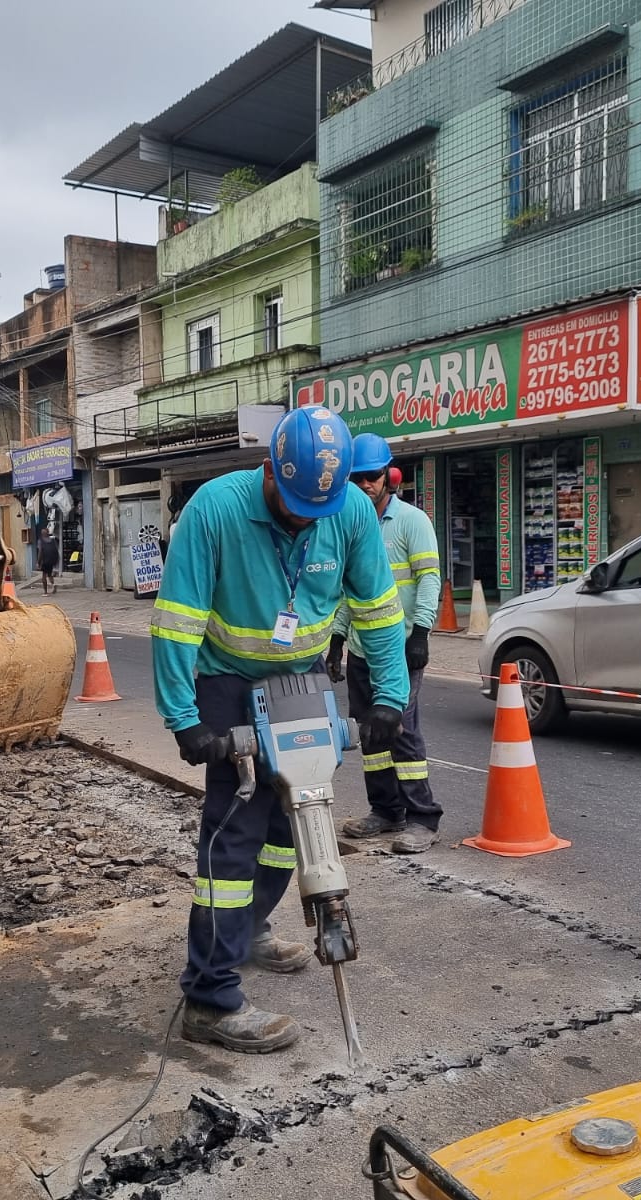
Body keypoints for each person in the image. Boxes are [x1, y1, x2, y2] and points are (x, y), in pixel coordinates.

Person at [151, 406, 409, 1054]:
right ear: (270, 468)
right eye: (293, 506)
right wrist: (185, 719)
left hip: (301, 682)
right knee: (234, 837)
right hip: (227, 683)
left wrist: (390, 699)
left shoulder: (347, 511)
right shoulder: (215, 510)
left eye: (313, 511)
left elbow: (378, 611)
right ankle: (209, 995)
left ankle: (250, 927)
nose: (302, 521)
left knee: (290, 824)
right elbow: (177, 621)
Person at [328, 434, 443, 854]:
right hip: (361, 647)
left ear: (388, 476)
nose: (365, 485)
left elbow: (430, 579)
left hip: (400, 648)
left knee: (402, 730)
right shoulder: (349, 523)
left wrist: (422, 632)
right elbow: (347, 589)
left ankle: (422, 818)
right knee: (371, 735)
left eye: (372, 477)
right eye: (356, 478)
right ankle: (386, 809)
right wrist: (338, 640)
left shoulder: (412, 521)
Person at [36, 529, 60, 595]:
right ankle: (54, 585)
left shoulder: (41, 541)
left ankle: (45, 592)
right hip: (51, 560)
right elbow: (56, 550)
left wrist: (38, 562)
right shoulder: (52, 540)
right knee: (49, 574)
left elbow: (40, 552)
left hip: (45, 560)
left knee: (44, 576)